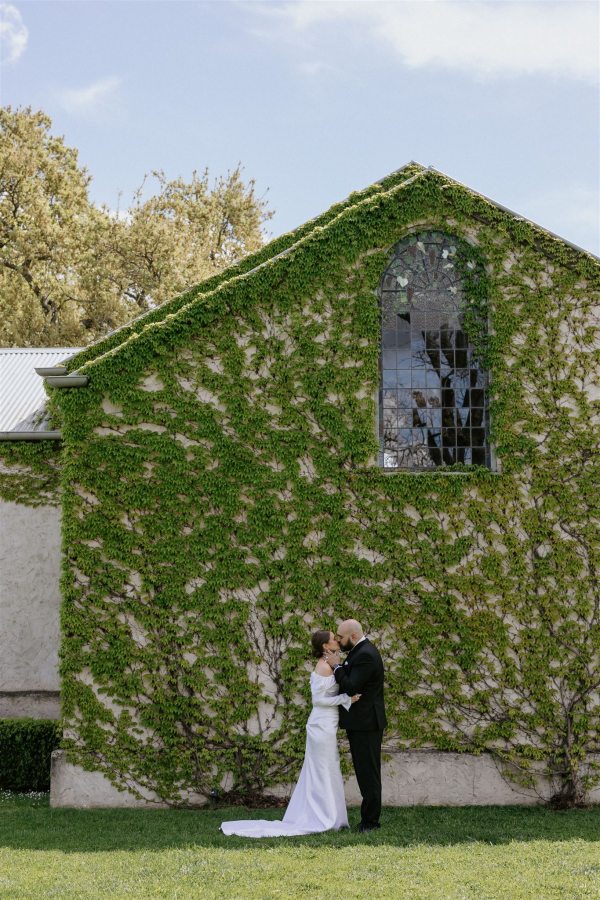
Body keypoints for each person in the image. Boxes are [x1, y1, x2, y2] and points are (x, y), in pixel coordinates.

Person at [220, 630, 361, 837]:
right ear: (325, 646)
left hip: (329, 723)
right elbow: (318, 701)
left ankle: (332, 816)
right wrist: (346, 700)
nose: (337, 640)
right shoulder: (323, 667)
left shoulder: (332, 664)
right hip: (321, 724)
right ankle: (323, 817)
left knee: (329, 768)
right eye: (333, 638)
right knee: (322, 769)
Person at [324, 619, 386, 833]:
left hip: (367, 724)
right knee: (364, 771)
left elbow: (351, 686)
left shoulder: (366, 654)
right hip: (361, 723)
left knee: (368, 773)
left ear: (353, 636)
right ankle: (368, 819)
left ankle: (370, 822)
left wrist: (336, 666)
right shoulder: (359, 651)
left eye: (341, 637)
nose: (339, 641)